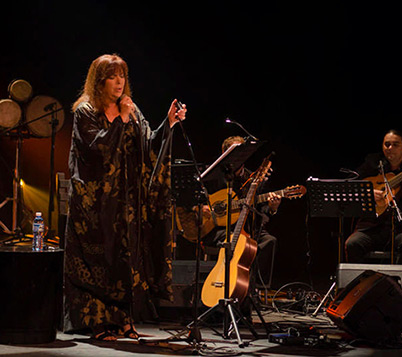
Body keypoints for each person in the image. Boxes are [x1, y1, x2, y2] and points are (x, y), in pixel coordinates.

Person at [63, 53, 187, 341]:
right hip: (94, 204)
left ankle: (124, 320)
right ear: (99, 80)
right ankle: (99, 322)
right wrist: (120, 119)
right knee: (99, 262)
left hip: (125, 203)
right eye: (112, 76)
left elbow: (147, 147)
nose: (119, 82)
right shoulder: (85, 111)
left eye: (122, 76)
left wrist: (168, 124)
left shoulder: (131, 108)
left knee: (124, 260)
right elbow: (97, 151)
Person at [345, 129, 402, 264]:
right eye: (387, 144)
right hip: (372, 227)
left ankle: (397, 284)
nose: (390, 148)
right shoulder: (372, 164)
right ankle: (362, 283)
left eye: (395, 145)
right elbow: (349, 186)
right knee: (352, 243)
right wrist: (368, 193)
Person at [200, 136, 280, 289]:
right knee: (238, 242)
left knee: (269, 241)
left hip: (248, 228)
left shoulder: (253, 179)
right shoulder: (211, 175)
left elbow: (262, 210)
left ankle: (252, 288)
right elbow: (194, 197)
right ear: (224, 153)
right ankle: (227, 284)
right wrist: (202, 207)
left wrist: (272, 208)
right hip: (218, 229)